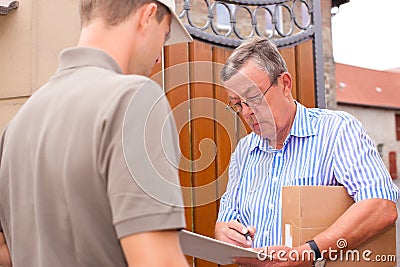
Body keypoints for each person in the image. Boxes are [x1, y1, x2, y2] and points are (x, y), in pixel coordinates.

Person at [0, 0, 193, 266]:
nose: (159, 56)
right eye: (166, 34)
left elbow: (6, 252)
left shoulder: (18, 125)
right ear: (147, 16)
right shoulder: (134, 99)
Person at [214, 37, 399, 266]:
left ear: (285, 83)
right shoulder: (244, 151)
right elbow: (224, 221)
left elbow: (381, 205)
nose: (247, 112)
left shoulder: (336, 131)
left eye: (254, 98)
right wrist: (225, 234)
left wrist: (308, 253)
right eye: (237, 104)